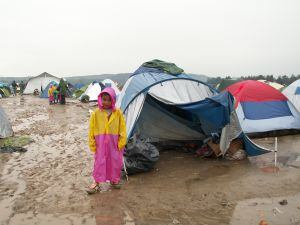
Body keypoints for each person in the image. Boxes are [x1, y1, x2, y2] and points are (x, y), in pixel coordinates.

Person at [87, 87, 127, 194]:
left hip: (114, 144)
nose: (106, 102)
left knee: (115, 162)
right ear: (101, 99)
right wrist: (92, 142)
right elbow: (91, 128)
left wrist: (122, 142)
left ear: (113, 100)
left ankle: (114, 180)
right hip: (100, 143)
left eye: (109, 100)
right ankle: (96, 182)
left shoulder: (117, 113)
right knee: (99, 162)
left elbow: (122, 128)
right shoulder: (96, 113)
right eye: (104, 99)